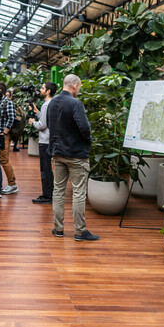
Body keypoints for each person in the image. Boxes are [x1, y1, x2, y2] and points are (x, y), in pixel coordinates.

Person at [45, 74, 98, 241]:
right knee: (78, 193)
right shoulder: (76, 104)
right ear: (74, 85)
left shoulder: (52, 102)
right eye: (80, 86)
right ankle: (80, 231)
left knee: (58, 191)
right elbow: (85, 128)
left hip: (57, 153)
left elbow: (49, 124)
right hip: (76, 155)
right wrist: (87, 141)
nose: (79, 89)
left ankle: (58, 228)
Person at [28, 81, 57, 204]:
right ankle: (50, 194)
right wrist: (37, 112)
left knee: (45, 169)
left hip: (45, 141)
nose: (40, 89)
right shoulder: (52, 103)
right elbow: (46, 119)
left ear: (48, 91)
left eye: (43, 88)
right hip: (50, 139)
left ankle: (47, 196)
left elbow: (42, 125)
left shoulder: (46, 105)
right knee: (47, 169)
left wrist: (32, 123)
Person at [0, 81, 18, 194]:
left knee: (4, 160)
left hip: (3, 136)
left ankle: (12, 184)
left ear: (0, 91)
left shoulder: (7, 102)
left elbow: (12, 118)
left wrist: (5, 133)